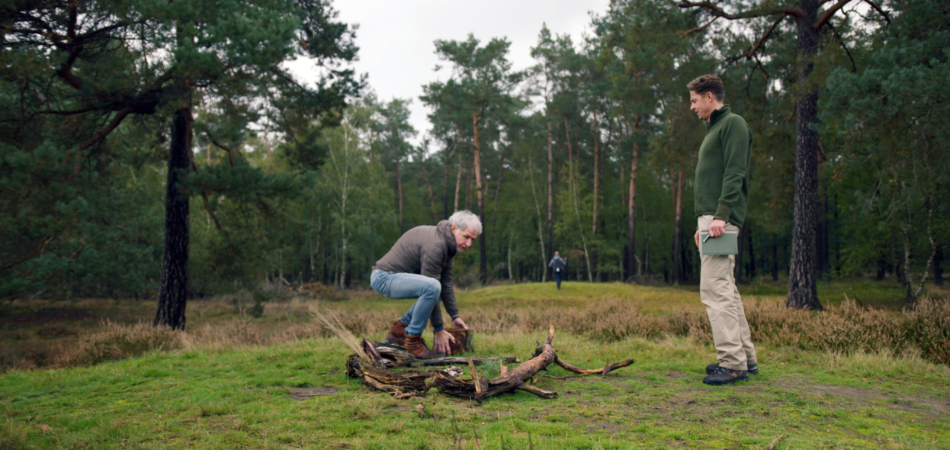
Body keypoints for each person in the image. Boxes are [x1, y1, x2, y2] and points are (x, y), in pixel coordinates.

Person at [688, 74, 758, 386]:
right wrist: (703, 223)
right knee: (726, 289)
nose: (692, 107)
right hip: (712, 220)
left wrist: (720, 217)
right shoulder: (715, 128)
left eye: (694, 100)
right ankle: (745, 359)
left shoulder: (733, 124)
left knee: (715, 289)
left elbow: (735, 171)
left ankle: (731, 363)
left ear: (709, 97)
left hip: (719, 220)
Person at [370, 210, 479, 359]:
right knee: (433, 288)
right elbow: (432, 286)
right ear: (453, 228)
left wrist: (454, 316)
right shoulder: (436, 245)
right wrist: (439, 329)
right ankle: (413, 342)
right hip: (384, 278)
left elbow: (446, 283)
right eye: (466, 237)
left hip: (390, 277)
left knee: (436, 290)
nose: (469, 244)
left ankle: (399, 332)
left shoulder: (447, 246)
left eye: (473, 239)